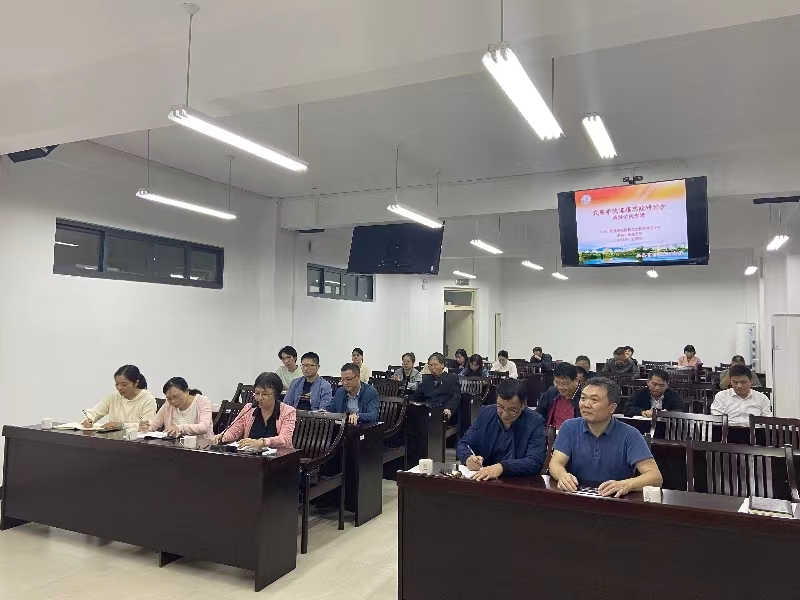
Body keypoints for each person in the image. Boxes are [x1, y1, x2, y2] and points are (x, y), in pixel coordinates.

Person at [548, 377, 663, 497]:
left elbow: (655, 477)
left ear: (612, 408)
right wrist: (562, 476)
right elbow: (555, 463)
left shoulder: (630, 435)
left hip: (614, 499)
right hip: (577, 495)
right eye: (583, 398)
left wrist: (626, 484)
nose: (586, 405)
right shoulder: (569, 427)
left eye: (594, 400)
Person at [457, 379, 546, 481]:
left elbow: (535, 461)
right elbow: (463, 443)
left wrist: (502, 467)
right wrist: (468, 457)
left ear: (523, 404)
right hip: (483, 479)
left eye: (512, 410)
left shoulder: (535, 422)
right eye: (500, 407)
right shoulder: (486, 413)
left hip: (516, 481)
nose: (505, 414)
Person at [218, 372, 296, 449]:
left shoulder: (288, 412)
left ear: (275, 394)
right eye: (257, 393)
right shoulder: (249, 409)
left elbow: (285, 439)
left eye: (265, 394)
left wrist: (262, 442)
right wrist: (222, 437)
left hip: (279, 455)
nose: (259, 398)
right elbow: (234, 430)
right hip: (250, 454)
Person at [81, 365, 157, 431]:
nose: (119, 388)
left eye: (124, 385)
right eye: (117, 384)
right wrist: (88, 419)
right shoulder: (114, 396)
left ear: (136, 383)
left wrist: (121, 426)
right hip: (113, 439)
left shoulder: (147, 399)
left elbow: (145, 426)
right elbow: (95, 412)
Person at [149, 377, 213, 440]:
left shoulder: (202, 402)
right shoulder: (168, 405)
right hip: (173, 445)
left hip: (200, 444)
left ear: (187, 391)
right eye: (169, 398)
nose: (173, 401)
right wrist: (147, 427)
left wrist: (180, 428)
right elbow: (154, 424)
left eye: (176, 396)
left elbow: (204, 427)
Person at [413, 352, 461, 420]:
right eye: (430, 365)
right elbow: (417, 396)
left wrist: (449, 408)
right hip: (427, 412)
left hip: (443, 412)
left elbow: (455, 396)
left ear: (442, 365)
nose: (433, 367)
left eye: (435, 365)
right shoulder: (426, 379)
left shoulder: (452, 378)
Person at [536, 362, 581, 430]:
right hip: (551, 434)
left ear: (576, 380)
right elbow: (538, 415)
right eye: (556, 382)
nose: (560, 387)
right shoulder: (552, 393)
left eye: (564, 384)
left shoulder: (584, 397)